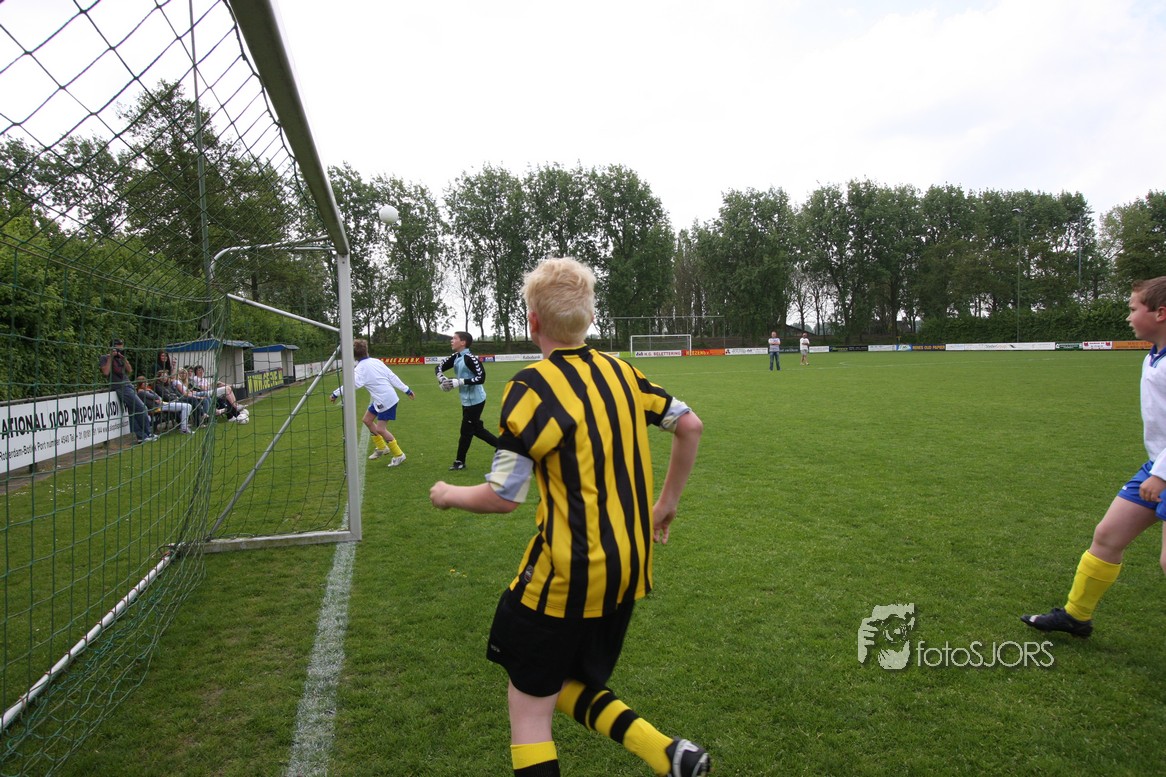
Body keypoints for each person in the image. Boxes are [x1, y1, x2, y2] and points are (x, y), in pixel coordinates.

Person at [429, 257, 709, 777]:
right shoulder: (622, 372)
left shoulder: (531, 387)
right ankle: (667, 753)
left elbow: (503, 496)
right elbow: (689, 425)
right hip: (629, 568)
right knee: (555, 683)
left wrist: (447, 494)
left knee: (529, 706)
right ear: (590, 317)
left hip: (566, 571)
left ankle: (665, 752)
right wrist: (667, 503)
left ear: (532, 321)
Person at [1022, 277, 1166, 638]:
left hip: (1162, 471)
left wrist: (1161, 474)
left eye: (1133, 308)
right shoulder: (1155, 353)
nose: (1128, 316)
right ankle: (1076, 616)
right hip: (1157, 466)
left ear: (1160, 313)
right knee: (1107, 536)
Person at [329, 338, 414, 467]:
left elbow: (351, 384)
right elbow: (392, 376)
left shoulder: (359, 369)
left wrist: (335, 393)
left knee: (380, 429)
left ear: (353, 356)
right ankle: (381, 447)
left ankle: (399, 455)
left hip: (386, 400)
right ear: (366, 350)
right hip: (383, 398)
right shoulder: (376, 361)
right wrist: (407, 390)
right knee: (367, 420)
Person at [435, 331, 498, 471]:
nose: (451, 340)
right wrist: (442, 379)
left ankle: (459, 461)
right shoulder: (456, 356)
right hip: (466, 400)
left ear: (463, 342)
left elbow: (481, 378)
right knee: (476, 429)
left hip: (476, 400)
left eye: (454, 338)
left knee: (466, 431)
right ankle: (503, 446)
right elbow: (438, 368)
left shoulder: (470, 358)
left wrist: (460, 382)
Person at [98, 337, 155, 444]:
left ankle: (142, 436)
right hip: (120, 387)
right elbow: (105, 372)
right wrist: (111, 357)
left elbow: (129, 370)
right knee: (142, 408)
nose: (119, 350)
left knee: (133, 412)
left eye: (121, 348)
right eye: (117, 348)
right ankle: (147, 433)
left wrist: (123, 359)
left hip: (129, 385)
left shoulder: (121, 357)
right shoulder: (104, 358)